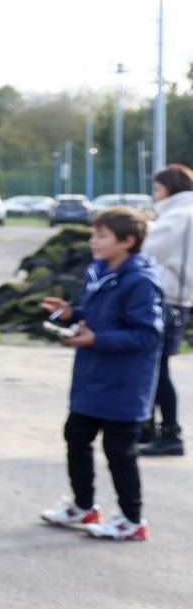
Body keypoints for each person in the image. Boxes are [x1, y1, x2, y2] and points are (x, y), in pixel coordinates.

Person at [38, 207, 163, 541]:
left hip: (124, 383)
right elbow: (94, 315)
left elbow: (148, 335)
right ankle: (83, 505)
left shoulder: (141, 282)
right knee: (76, 437)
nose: (94, 241)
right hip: (92, 377)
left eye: (102, 235)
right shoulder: (99, 271)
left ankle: (133, 520)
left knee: (119, 450)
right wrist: (69, 315)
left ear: (128, 241)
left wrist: (97, 339)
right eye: (94, 234)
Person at [138, 163, 193, 457]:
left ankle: (168, 432)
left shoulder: (178, 217)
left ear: (170, 189)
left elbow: (146, 251)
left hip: (167, 300)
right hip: (179, 302)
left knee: (156, 368)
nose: (155, 196)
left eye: (157, 189)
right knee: (157, 367)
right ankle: (151, 427)